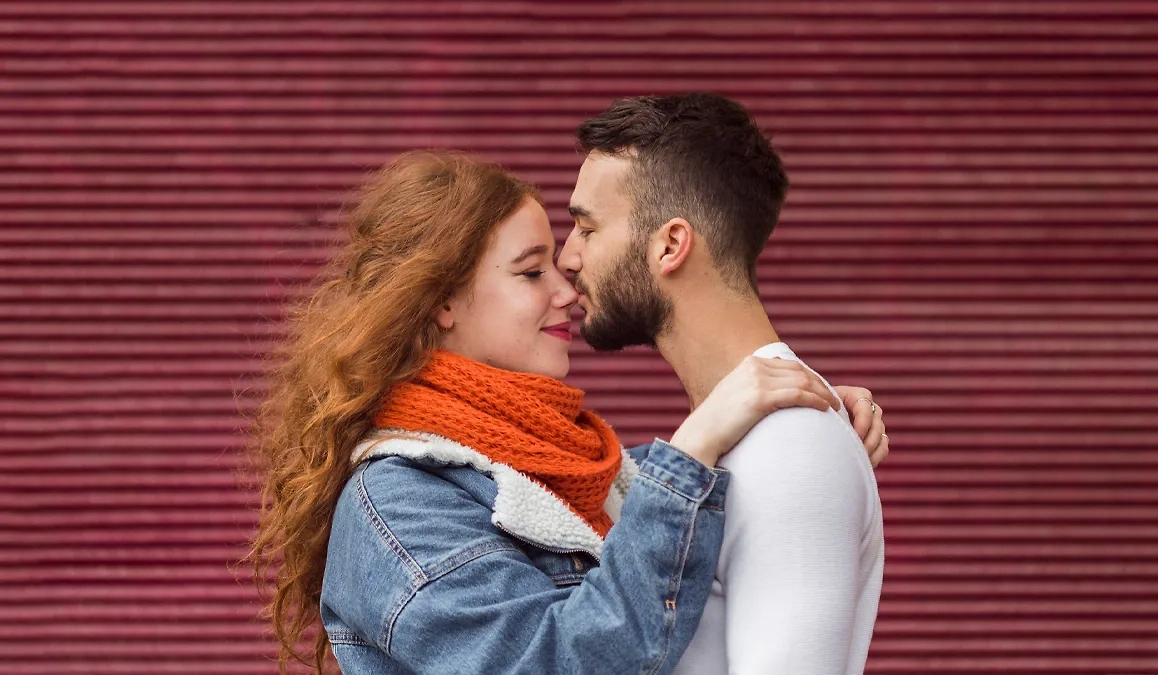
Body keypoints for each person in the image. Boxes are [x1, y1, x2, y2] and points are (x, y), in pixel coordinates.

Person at [247, 151, 887, 674]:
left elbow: (649, 503)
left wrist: (800, 413)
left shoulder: (557, 471)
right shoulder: (396, 503)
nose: (566, 288)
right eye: (531, 273)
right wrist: (695, 447)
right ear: (443, 302)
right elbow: (555, 662)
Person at [559, 92, 886, 674]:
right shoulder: (742, 435)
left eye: (587, 227)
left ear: (670, 245)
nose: (568, 257)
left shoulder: (793, 445)